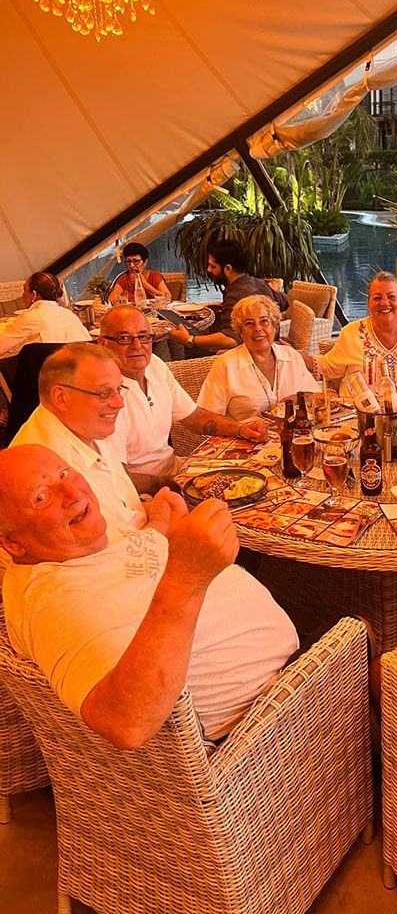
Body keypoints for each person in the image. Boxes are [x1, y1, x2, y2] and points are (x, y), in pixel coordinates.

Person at [0, 445, 299, 749]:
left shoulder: (81, 540)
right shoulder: (53, 602)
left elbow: (129, 569)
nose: (72, 493)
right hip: (263, 726)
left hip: (286, 674)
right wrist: (186, 578)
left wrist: (161, 524)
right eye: (41, 497)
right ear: (13, 544)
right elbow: (123, 724)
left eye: (64, 473)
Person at [100, 306, 268, 487]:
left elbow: (194, 417)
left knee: (254, 475)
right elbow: (116, 477)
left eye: (143, 336)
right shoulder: (104, 397)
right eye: (124, 338)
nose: (137, 346)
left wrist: (239, 429)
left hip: (174, 469)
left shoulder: (154, 365)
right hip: (143, 490)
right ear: (102, 343)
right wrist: (174, 485)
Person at [10, 343, 146, 528]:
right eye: (104, 393)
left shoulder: (84, 424)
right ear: (61, 397)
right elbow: (113, 541)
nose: (119, 403)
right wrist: (162, 517)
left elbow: (126, 512)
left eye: (119, 389)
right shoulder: (53, 469)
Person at [198, 296, 320, 421]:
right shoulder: (226, 366)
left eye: (264, 321)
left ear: (274, 327)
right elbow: (207, 419)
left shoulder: (292, 357)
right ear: (241, 332)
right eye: (249, 323)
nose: (257, 328)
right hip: (244, 433)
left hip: (295, 432)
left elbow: (316, 396)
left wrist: (297, 398)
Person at [169, 240, 289, 355]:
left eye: (212, 266)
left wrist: (190, 339)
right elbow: (285, 302)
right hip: (267, 345)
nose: (208, 270)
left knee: (182, 348)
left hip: (247, 353)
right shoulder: (258, 282)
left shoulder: (236, 296)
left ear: (228, 268)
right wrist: (273, 289)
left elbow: (231, 340)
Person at [0, 272, 90, 359]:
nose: (23, 295)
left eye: (25, 290)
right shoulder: (69, 315)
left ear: (34, 295)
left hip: (50, 367)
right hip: (81, 364)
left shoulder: (31, 317)